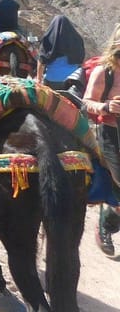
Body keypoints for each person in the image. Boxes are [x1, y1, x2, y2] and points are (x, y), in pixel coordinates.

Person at [82, 23, 120, 257]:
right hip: (110, 134)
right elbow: (86, 103)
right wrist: (106, 106)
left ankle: (108, 221)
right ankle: (105, 226)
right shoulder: (104, 71)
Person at [35, 14, 85, 89]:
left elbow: (42, 60)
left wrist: (38, 79)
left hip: (52, 80)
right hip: (72, 80)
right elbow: (81, 59)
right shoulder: (77, 39)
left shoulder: (48, 39)